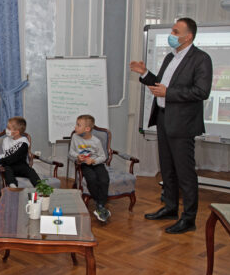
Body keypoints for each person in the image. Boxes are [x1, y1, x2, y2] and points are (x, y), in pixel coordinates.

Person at [130, 17, 213, 234]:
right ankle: (170, 207)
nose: (172, 35)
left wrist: (169, 93)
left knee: (184, 172)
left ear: (188, 37)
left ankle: (189, 218)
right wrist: (145, 74)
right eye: (172, 31)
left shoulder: (201, 59)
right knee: (167, 168)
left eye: (176, 31)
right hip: (164, 118)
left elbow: (202, 91)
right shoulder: (170, 57)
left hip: (183, 123)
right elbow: (161, 85)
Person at [68, 115, 110, 222]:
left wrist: (94, 161)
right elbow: (71, 152)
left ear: (87, 129)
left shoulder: (96, 141)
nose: (75, 127)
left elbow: (103, 157)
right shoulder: (75, 137)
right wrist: (78, 156)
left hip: (97, 163)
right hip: (84, 164)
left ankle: (101, 204)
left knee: (104, 179)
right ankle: (99, 204)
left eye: (78, 125)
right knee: (91, 178)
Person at [0, 116, 41, 188]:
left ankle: (40, 188)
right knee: (7, 169)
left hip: (21, 166)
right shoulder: (5, 140)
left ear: (16, 132)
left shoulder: (24, 142)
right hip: (10, 166)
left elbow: (15, 156)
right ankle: (13, 186)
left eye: (9, 128)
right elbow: (6, 155)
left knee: (30, 171)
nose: (6, 130)